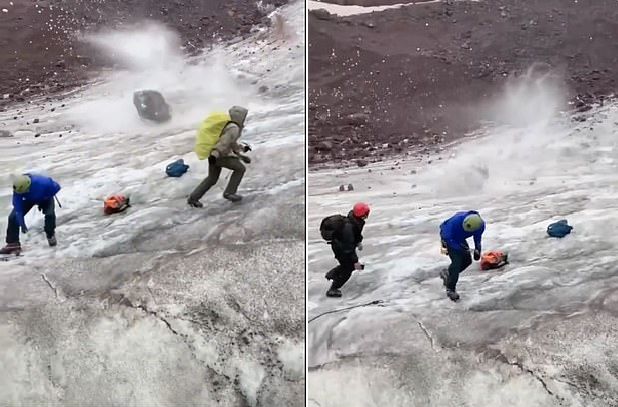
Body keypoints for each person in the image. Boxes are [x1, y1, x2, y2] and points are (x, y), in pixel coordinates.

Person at [188, 106, 252, 208]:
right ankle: (229, 192)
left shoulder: (228, 125)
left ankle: (193, 198)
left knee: (212, 178)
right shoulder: (233, 128)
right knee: (240, 169)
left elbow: (231, 143)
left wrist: (241, 153)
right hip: (219, 155)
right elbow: (224, 142)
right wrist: (216, 153)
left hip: (213, 154)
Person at [0, 174, 61, 255]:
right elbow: (18, 208)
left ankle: (50, 234)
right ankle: (13, 244)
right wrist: (22, 224)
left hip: (45, 197)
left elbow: (57, 187)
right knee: (13, 217)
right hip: (28, 199)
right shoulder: (18, 188)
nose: (18, 194)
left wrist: (44, 198)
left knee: (50, 215)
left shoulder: (43, 182)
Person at [324, 202, 370, 297]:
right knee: (348, 269)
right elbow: (348, 248)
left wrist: (358, 241)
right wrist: (355, 261)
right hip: (341, 249)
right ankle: (333, 289)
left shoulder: (355, 221)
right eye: (366, 213)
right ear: (362, 214)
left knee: (349, 265)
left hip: (342, 247)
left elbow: (356, 233)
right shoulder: (349, 227)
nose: (367, 215)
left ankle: (331, 274)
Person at [439, 210, 485, 301]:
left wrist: (477, 249)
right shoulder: (453, 224)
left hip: (460, 238)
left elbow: (477, 237)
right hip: (449, 239)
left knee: (467, 261)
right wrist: (460, 248)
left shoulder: (480, 225)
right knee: (457, 262)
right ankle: (450, 289)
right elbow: (447, 238)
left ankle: (448, 274)